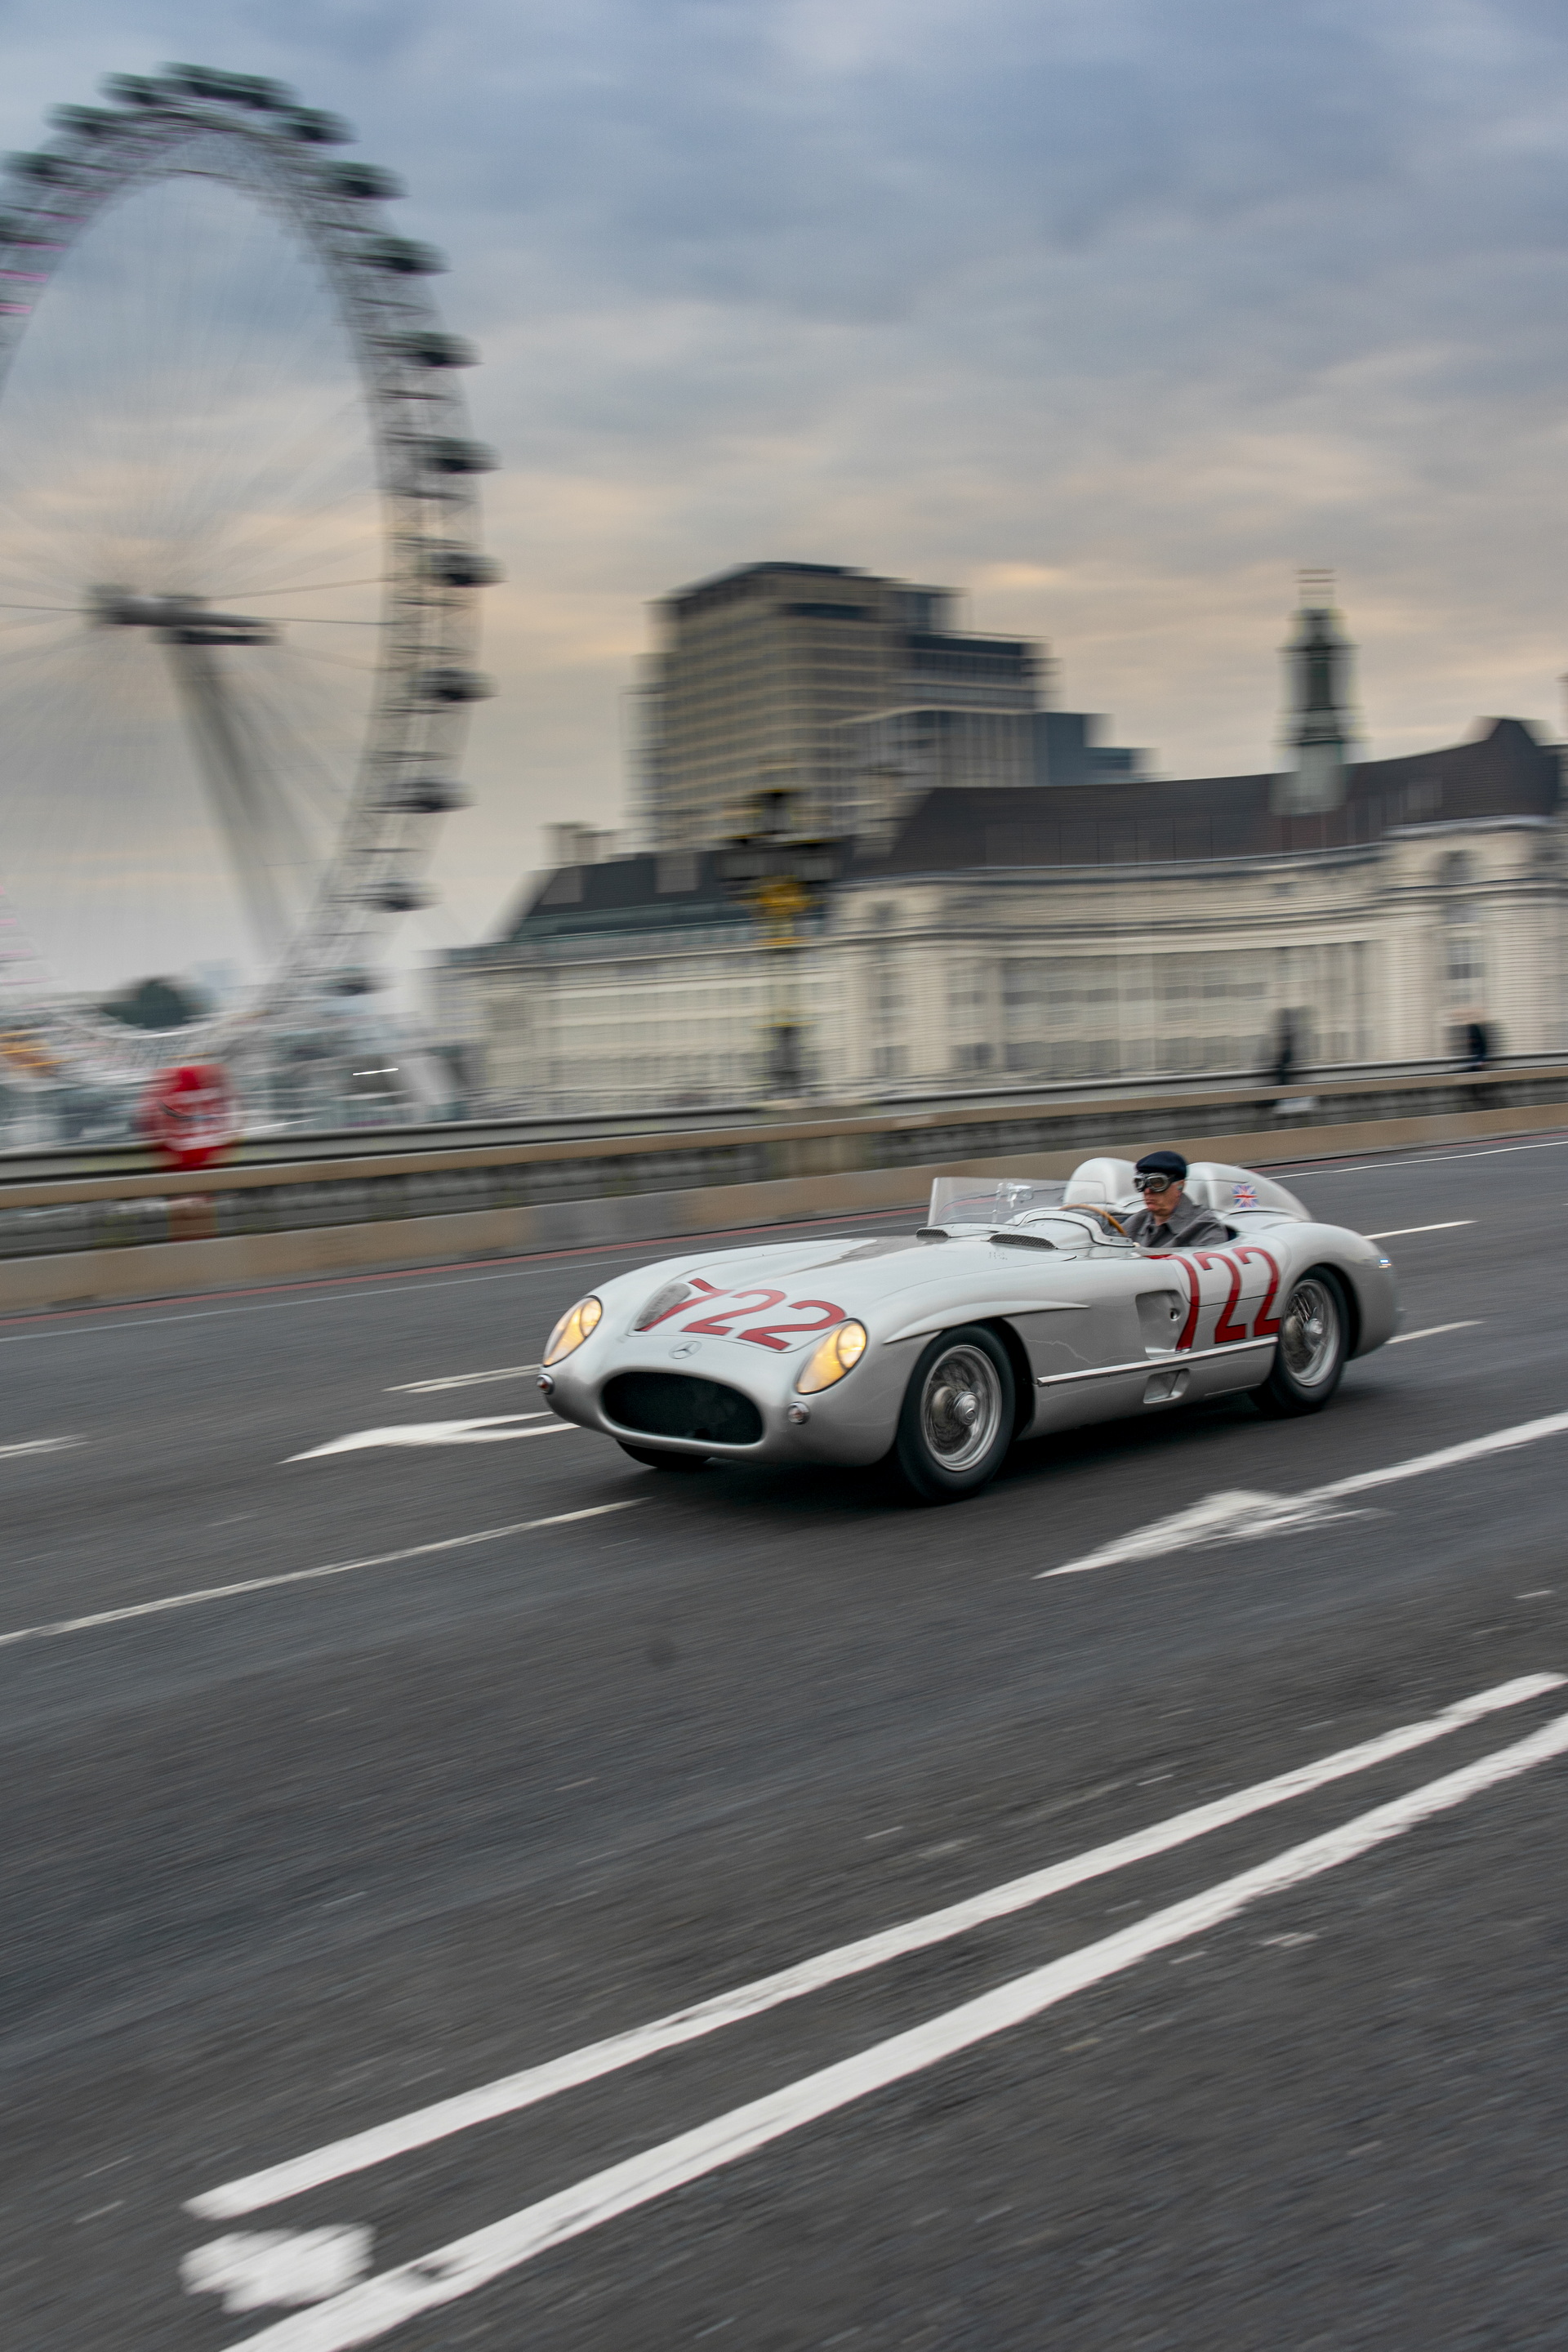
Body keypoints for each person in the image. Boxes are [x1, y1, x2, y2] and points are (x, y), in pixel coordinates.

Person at [1121, 1149, 1230, 1250]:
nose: (1148, 1191)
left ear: (1180, 1187)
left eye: (1157, 1183)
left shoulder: (1204, 1228)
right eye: (1141, 1184)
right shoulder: (1136, 1223)